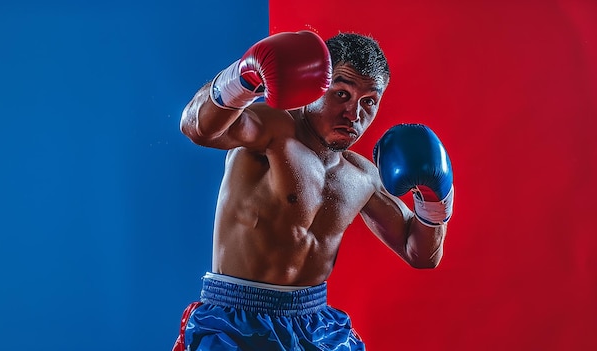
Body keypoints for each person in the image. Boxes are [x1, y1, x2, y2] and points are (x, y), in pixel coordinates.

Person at [173, 30, 454, 351]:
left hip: (315, 325)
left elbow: (419, 253)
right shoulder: (273, 130)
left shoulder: (364, 176)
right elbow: (197, 128)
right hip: (237, 320)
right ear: (317, 87)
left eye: (369, 102)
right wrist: (242, 77)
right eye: (342, 94)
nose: (354, 114)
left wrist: (436, 200)